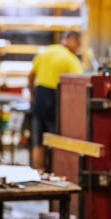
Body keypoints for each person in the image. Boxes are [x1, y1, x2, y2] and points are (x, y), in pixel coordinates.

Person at [28, 31, 83, 169]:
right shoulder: (71, 59)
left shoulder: (47, 51)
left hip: (40, 98)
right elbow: (78, 86)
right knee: (56, 142)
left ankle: (38, 173)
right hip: (55, 101)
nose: (79, 47)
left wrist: (33, 96)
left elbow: (30, 76)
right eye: (78, 43)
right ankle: (55, 173)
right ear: (71, 40)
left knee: (38, 142)